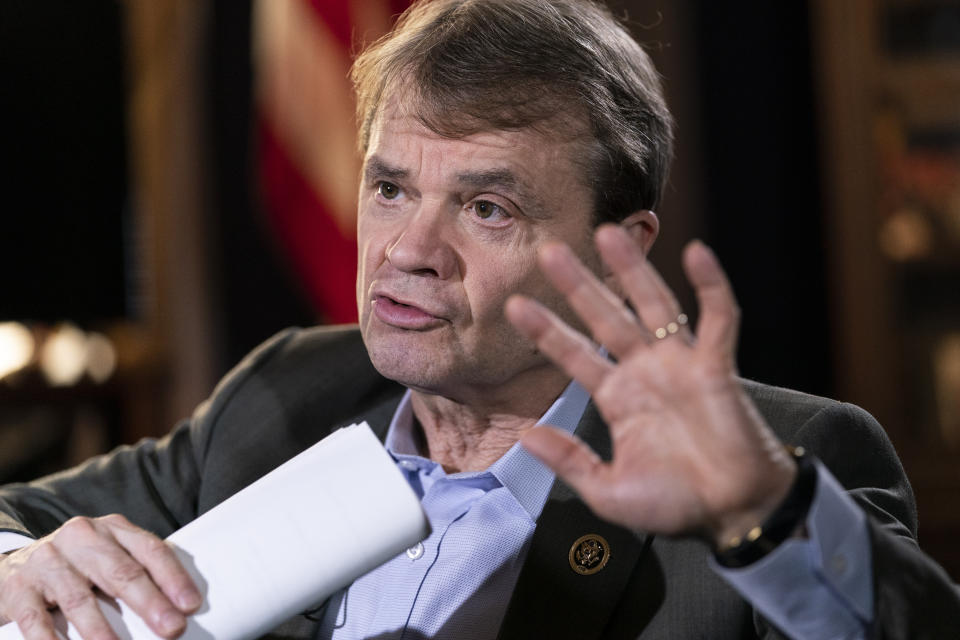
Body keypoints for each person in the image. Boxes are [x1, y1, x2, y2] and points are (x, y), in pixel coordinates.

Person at [1, 0, 957, 638]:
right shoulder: (290, 392)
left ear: (615, 245)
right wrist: (22, 563)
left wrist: (764, 517)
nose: (408, 249)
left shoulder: (776, 460)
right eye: (389, 187)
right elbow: (15, 517)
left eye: (486, 207)